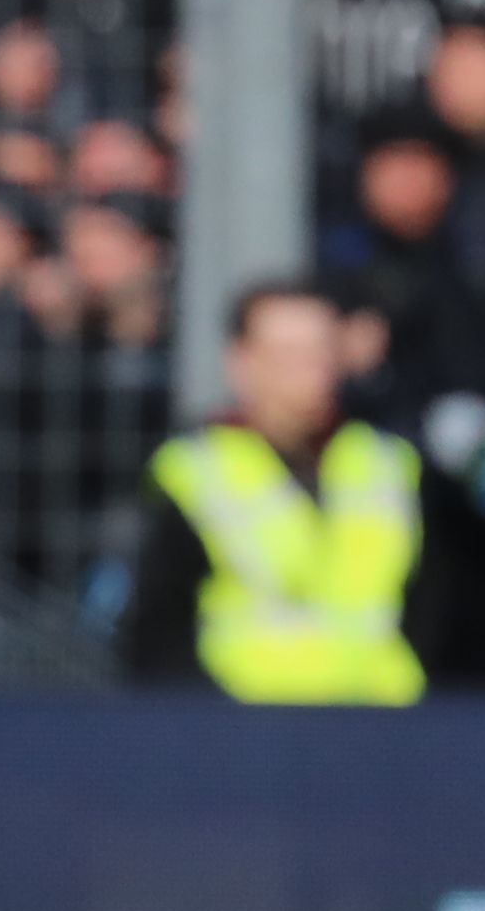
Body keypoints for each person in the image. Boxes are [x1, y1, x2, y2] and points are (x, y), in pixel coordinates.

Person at [122, 281, 436, 701]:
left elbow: (433, 606)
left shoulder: (388, 461)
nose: (313, 372)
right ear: (242, 362)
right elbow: (156, 631)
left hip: (386, 724)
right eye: (289, 355)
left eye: (322, 353)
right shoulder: (192, 471)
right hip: (245, 732)